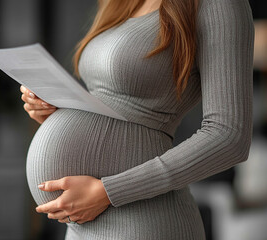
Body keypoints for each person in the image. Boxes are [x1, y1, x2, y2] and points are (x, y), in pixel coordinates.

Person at [20, 0, 254, 238]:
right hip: (81, 226)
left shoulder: (219, 4)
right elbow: (111, 110)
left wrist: (110, 192)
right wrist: (53, 114)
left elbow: (229, 136)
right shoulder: (120, 3)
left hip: (143, 219)